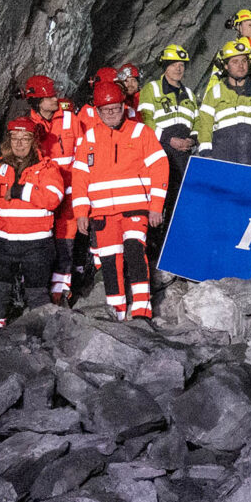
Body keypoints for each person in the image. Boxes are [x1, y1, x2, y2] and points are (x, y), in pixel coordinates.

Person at [73, 79, 169, 321]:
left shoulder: (140, 132)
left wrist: (156, 207)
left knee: (135, 251)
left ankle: (141, 308)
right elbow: (80, 177)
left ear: (123, 107)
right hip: (102, 214)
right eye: (106, 110)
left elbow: (160, 167)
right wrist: (81, 212)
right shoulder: (89, 138)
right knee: (108, 261)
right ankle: (116, 310)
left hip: (135, 208)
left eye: (115, 108)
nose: (111, 114)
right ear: (97, 112)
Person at [0, 117, 68, 327]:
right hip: (1, 242)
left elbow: (53, 199)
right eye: (14, 138)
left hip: (36, 244)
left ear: (34, 142)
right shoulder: (1, 170)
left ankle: (44, 335)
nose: (19, 144)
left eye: (25, 139)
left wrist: (21, 191)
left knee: (36, 293)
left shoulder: (47, 169)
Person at [20, 73, 81, 301]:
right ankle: (34, 290)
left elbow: (83, 153)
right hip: (42, 195)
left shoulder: (69, 119)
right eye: (49, 97)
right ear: (37, 101)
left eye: (54, 95)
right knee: (39, 243)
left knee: (66, 243)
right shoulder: (27, 126)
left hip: (69, 191)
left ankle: (61, 292)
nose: (55, 99)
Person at [197, 38, 251, 166]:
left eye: (244, 61)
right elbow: (204, 126)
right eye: (235, 62)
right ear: (226, 66)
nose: (241, 65)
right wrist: (206, 154)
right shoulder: (215, 92)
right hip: (223, 157)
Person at [138, 45, 199, 209]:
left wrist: (192, 140)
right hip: (160, 148)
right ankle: (155, 235)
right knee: (158, 199)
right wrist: (168, 139)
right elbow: (144, 119)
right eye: (173, 65)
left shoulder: (190, 94)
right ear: (165, 66)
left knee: (179, 199)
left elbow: (197, 121)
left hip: (184, 152)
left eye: (181, 65)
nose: (178, 69)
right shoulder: (151, 89)